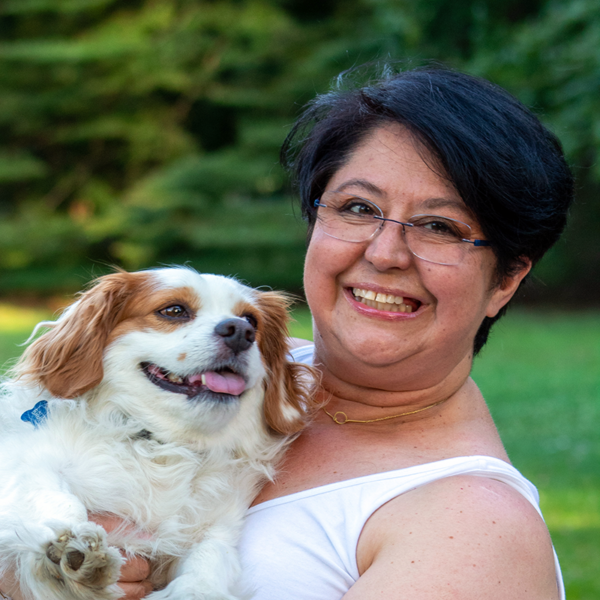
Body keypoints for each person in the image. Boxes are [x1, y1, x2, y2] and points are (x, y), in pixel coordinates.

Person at [1, 65, 573, 599]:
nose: (385, 253)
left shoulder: (476, 531)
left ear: (506, 279)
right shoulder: (228, 371)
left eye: (440, 227)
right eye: (358, 208)